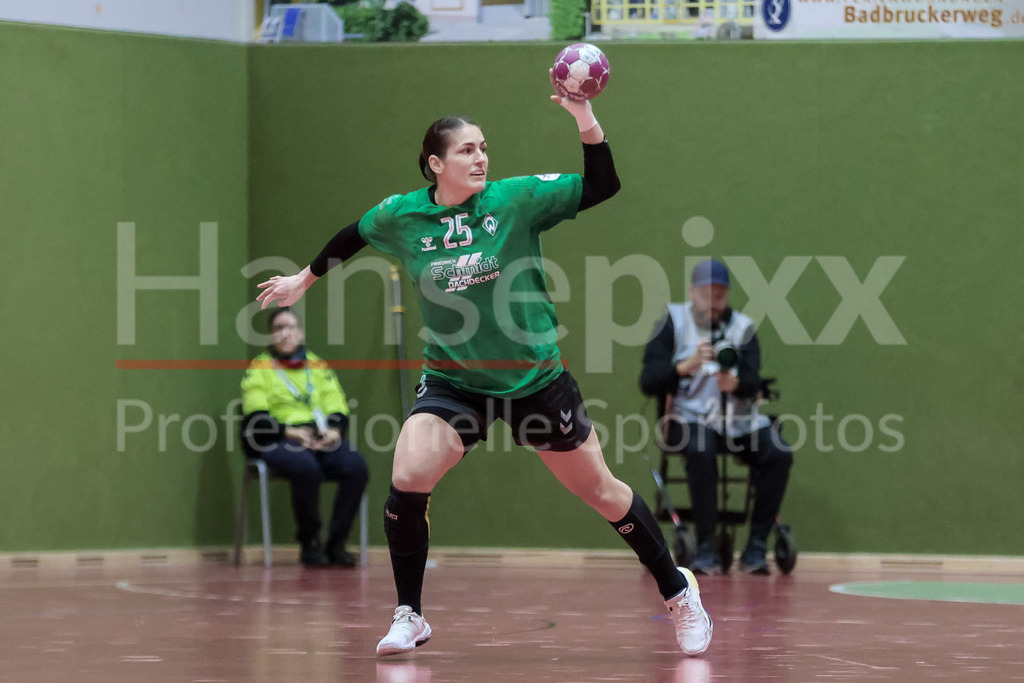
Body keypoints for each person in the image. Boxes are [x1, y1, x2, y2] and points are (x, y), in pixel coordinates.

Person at [255, 74, 713, 657]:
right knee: (409, 472)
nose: (481, 157)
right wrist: (304, 278)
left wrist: (584, 118)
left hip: (535, 379)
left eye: (484, 147)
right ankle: (410, 613)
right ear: (434, 164)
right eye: (467, 149)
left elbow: (604, 185)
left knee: (600, 490)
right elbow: (353, 235)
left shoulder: (515, 200)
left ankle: (679, 592)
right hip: (454, 382)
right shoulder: (402, 216)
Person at [639, 259, 794, 575]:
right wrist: (685, 365)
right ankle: (705, 546)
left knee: (779, 453)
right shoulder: (672, 321)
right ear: (692, 292)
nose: (713, 302)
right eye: (706, 294)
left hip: (738, 421)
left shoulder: (743, 327)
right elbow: (648, 380)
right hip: (688, 419)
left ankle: (755, 548)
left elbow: (754, 379)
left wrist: (738, 385)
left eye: (720, 296)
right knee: (701, 447)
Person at [240, 307, 369, 568]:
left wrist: (332, 431)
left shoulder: (317, 365)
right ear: (271, 336)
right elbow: (256, 417)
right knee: (305, 467)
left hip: (318, 435)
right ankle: (310, 542)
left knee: (356, 467)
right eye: (278, 328)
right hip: (279, 437)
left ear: (300, 333)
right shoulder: (260, 367)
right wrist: (291, 432)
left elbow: (337, 406)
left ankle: (337, 543)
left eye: (290, 327)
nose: (284, 333)